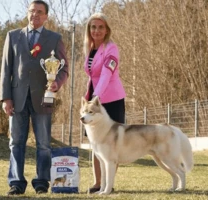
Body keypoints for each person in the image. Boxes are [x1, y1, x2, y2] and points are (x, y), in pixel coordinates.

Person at [0, 0, 69, 195]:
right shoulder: (12, 36)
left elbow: (64, 68)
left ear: (46, 16)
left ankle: (41, 182)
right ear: (27, 13)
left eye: (39, 12)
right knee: (15, 143)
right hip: (17, 98)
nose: (35, 15)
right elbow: (6, 70)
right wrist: (6, 98)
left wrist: (57, 84)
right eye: (32, 11)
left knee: (44, 144)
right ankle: (16, 183)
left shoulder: (55, 38)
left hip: (43, 99)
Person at [83, 12, 126, 193]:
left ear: (107, 29)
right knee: (95, 143)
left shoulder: (111, 48)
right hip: (94, 101)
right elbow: (93, 76)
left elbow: (107, 74)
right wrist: (88, 94)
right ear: (89, 29)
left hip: (111, 101)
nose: (97, 30)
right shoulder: (90, 48)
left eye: (101, 27)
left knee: (111, 145)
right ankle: (97, 182)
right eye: (93, 27)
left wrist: (95, 97)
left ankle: (108, 184)